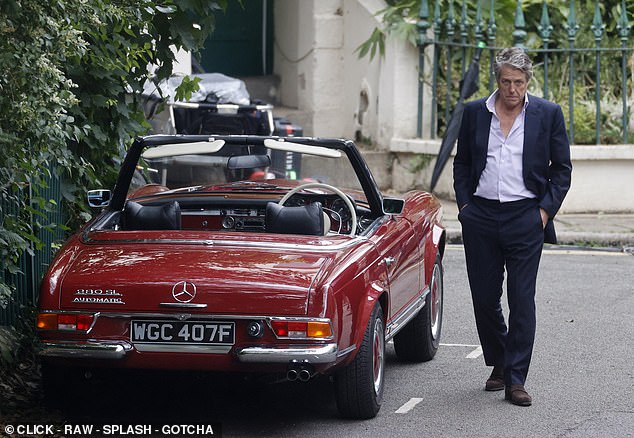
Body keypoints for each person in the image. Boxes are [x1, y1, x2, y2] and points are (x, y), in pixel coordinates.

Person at [453, 47, 572, 406]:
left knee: (522, 300)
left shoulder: (548, 114)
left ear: (527, 82)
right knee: (485, 299)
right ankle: (501, 361)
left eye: (518, 82)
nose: (512, 89)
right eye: (506, 81)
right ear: (497, 80)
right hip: (482, 216)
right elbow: (462, 165)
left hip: (525, 216)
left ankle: (515, 379)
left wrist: (543, 213)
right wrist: (465, 208)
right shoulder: (475, 112)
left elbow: (561, 171)